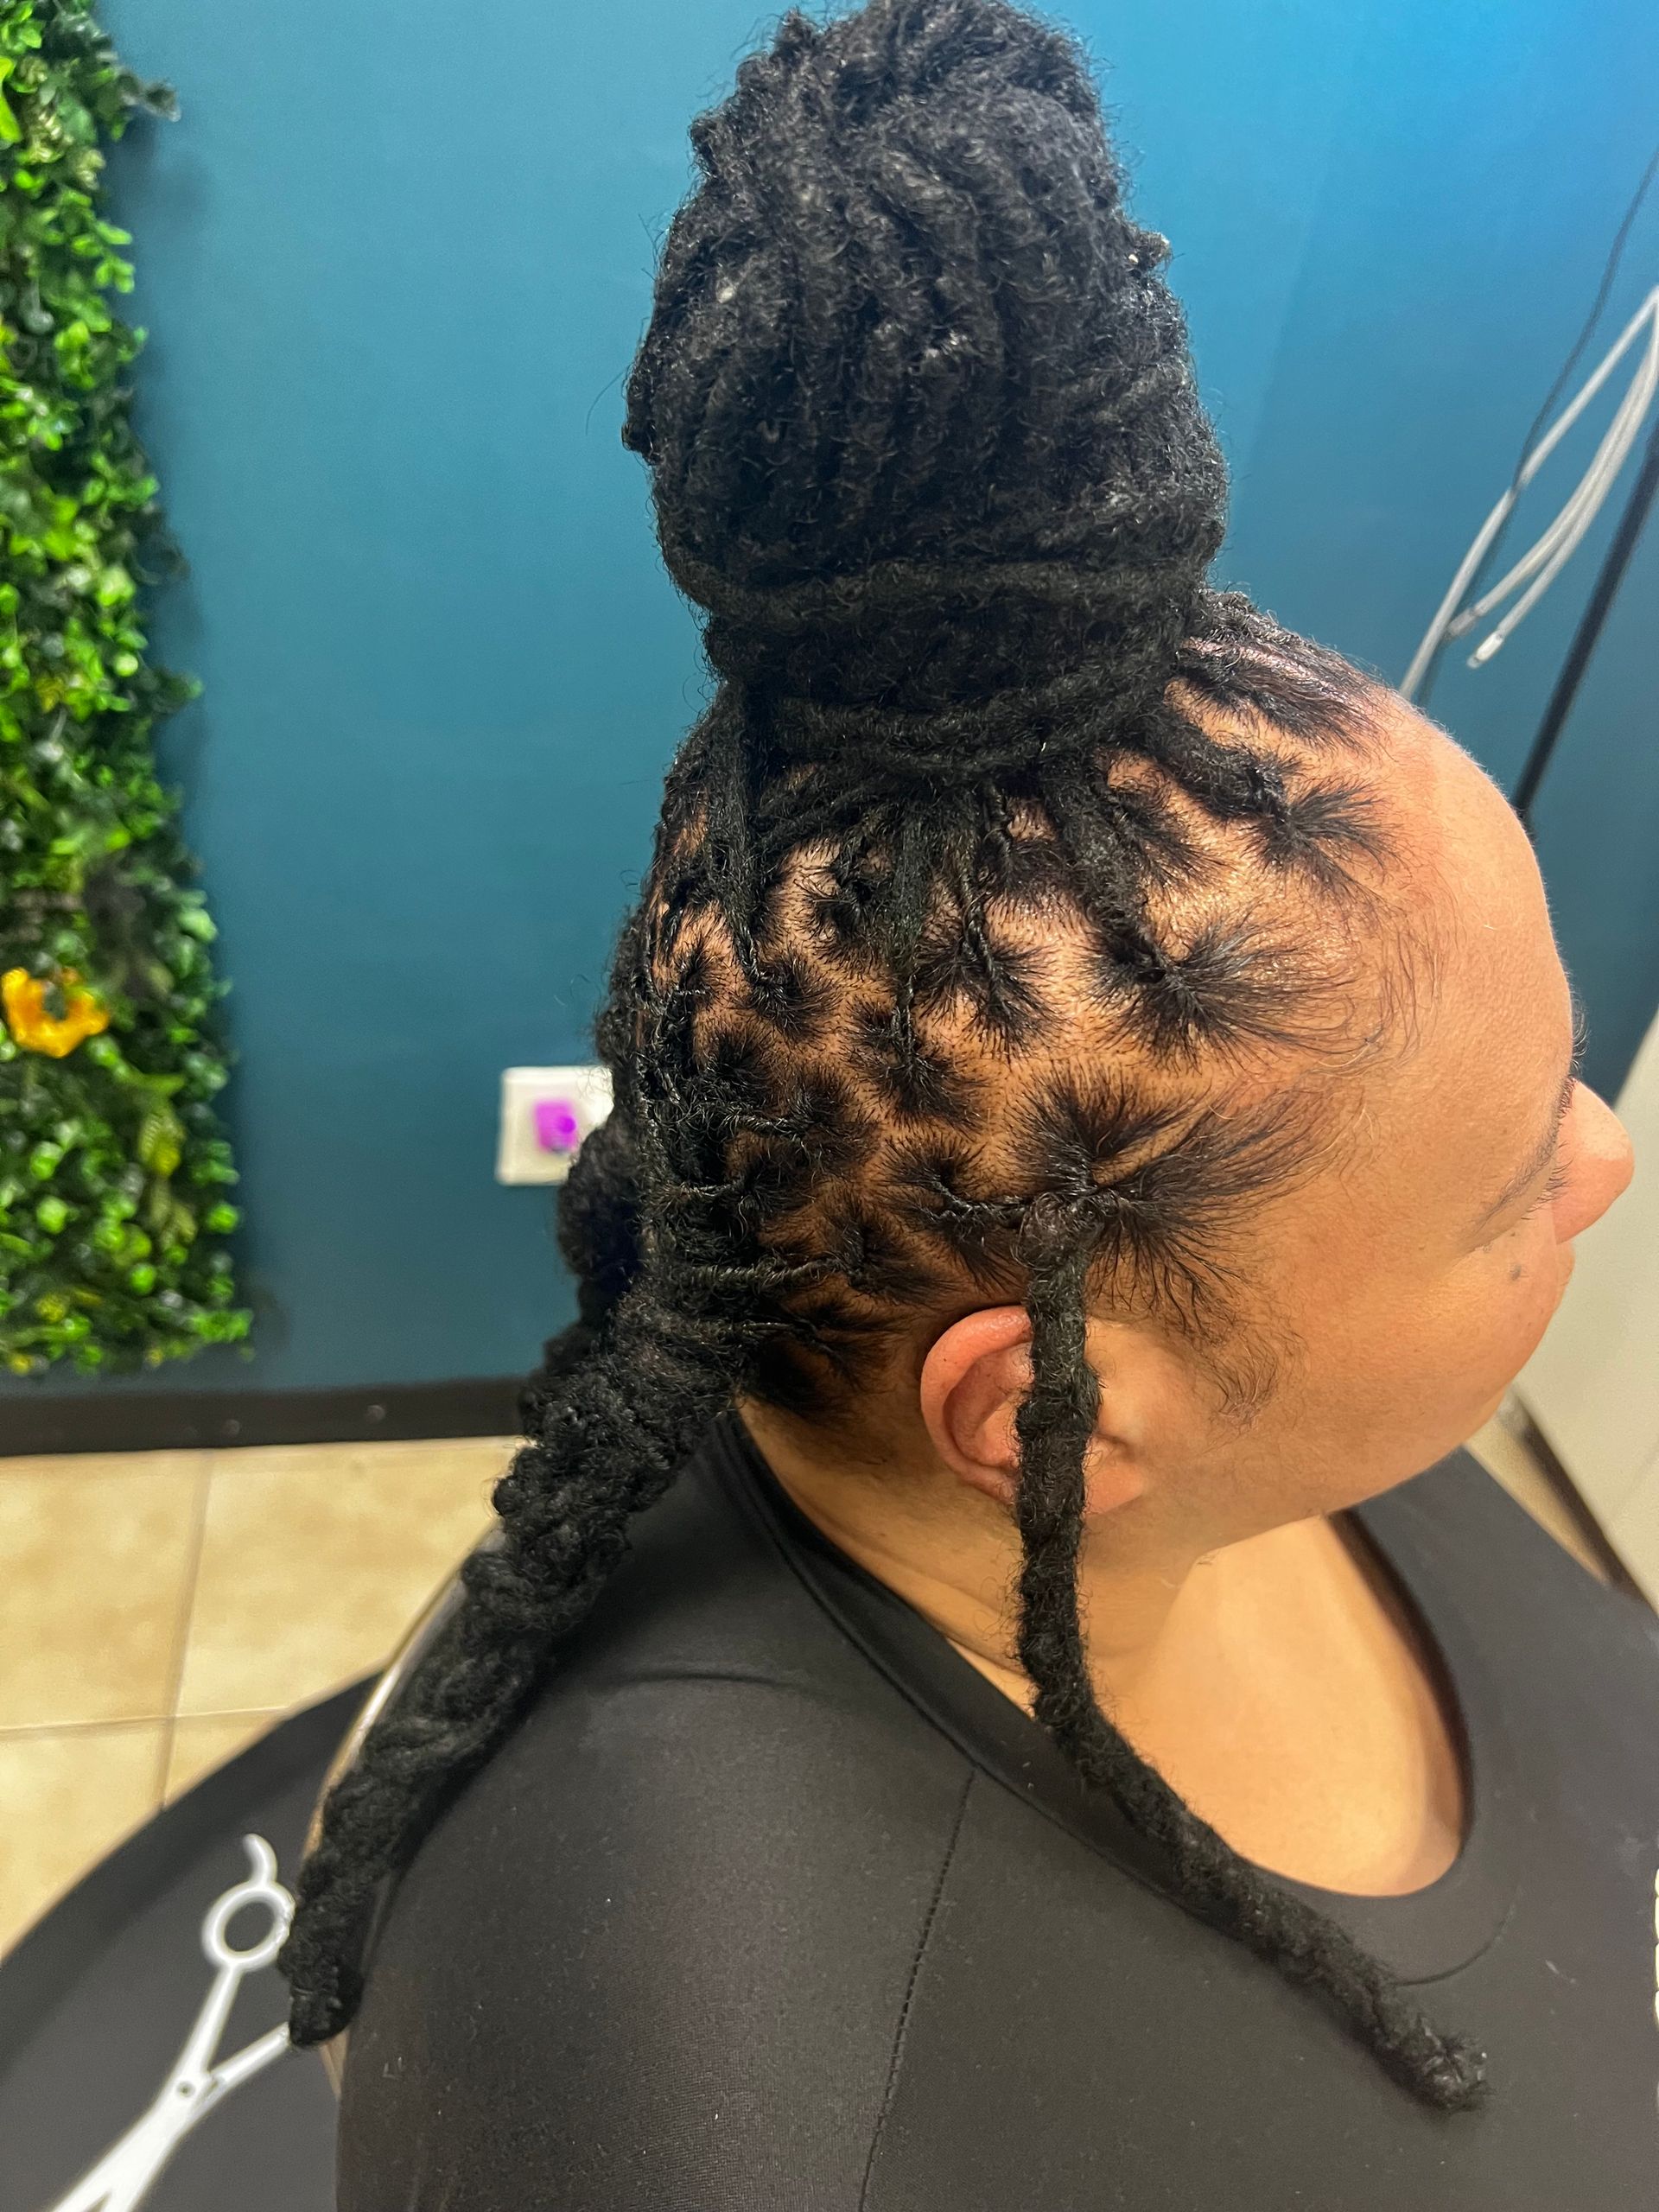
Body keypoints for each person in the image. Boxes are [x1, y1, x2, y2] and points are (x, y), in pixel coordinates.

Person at [281, 1, 1656, 2201]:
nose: (1604, 1155)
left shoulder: (1233, 1400)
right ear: (1053, 1424)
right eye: (1507, 1190)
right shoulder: (741, 2113)